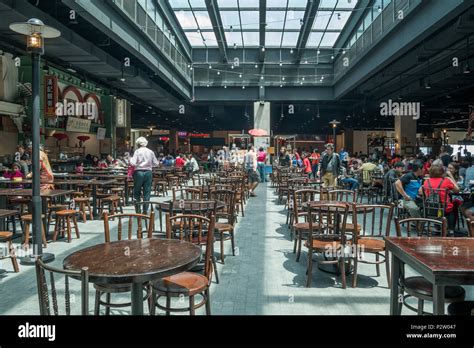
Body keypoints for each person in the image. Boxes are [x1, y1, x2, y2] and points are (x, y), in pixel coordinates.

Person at [422, 165, 459, 233]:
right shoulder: (446, 181)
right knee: (452, 209)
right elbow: (457, 190)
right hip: (445, 209)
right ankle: (451, 230)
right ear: (442, 172)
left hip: (430, 208)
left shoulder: (427, 181)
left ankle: (438, 226)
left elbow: (421, 192)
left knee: (439, 208)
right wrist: (451, 178)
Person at [129, 137, 158, 214]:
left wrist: (130, 159)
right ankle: (145, 211)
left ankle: (138, 211)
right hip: (148, 172)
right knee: (147, 192)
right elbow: (156, 163)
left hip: (138, 172)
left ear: (138, 144)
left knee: (137, 192)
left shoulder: (137, 151)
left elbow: (133, 163)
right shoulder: (151, 152)